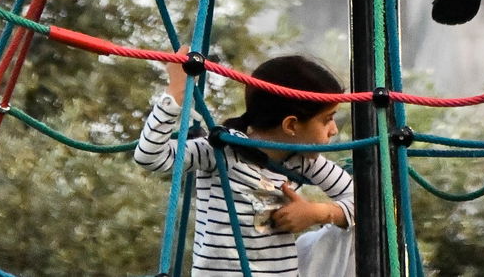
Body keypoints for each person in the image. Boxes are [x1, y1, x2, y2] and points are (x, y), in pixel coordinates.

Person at [135, 52, 354, 277]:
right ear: (291, 125)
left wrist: (317, 212)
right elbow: (151, 156)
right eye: (327, 119)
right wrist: (174, 95)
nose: (334, 129)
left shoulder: (304, 160)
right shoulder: (221, 149)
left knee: (354, 233)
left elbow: (363, 201)